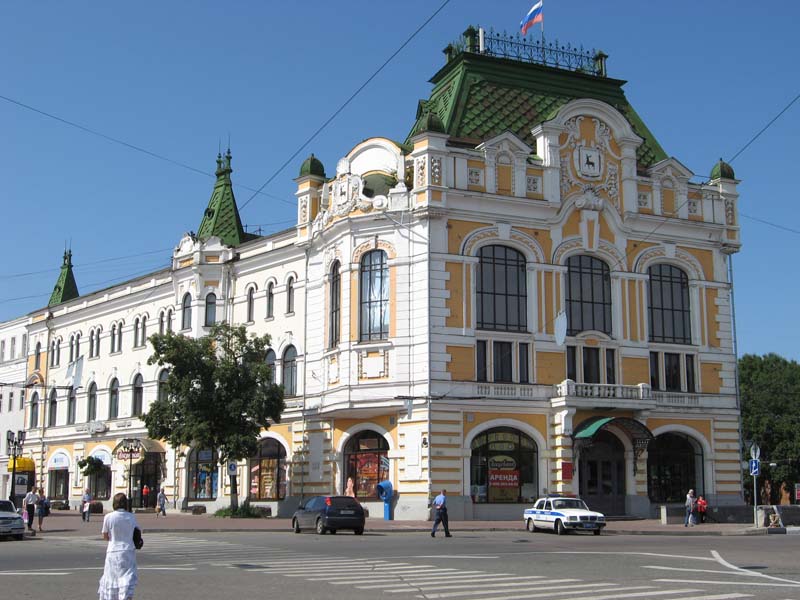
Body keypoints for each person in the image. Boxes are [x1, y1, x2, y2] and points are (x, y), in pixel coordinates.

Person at [98, 493, 139, 600]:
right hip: (128, 551)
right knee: (126, 582)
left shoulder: (108, 517)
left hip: (113, 551)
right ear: (126, 503)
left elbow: (105, 536)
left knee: (112, 580)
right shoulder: (131, 517)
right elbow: (137, 533)